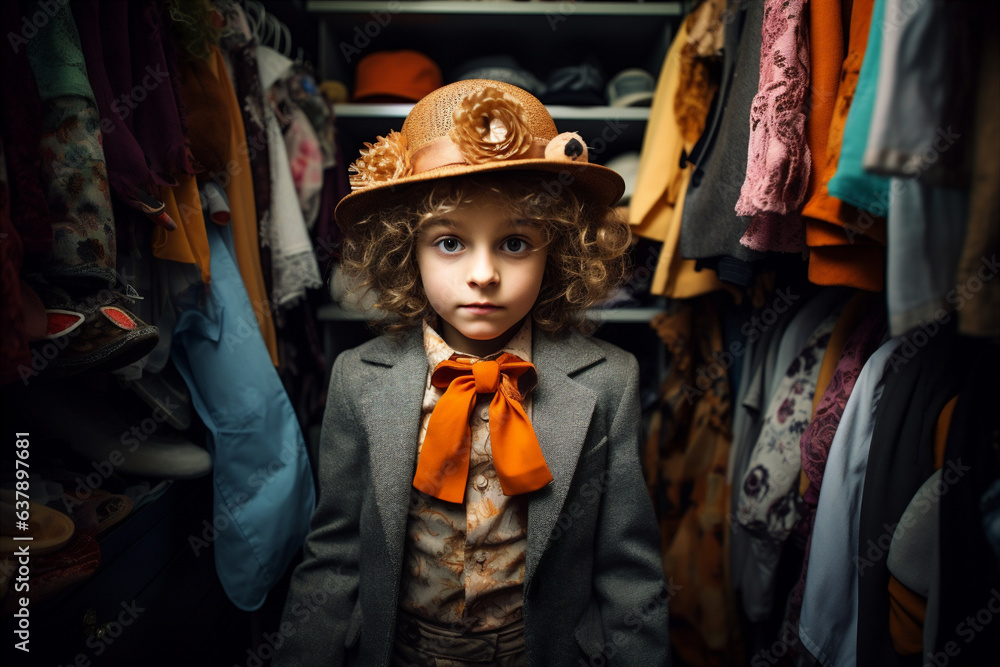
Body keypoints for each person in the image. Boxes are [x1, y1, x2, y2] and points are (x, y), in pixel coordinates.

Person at [273, 80, 670, 667]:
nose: (483, 274)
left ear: (555, 252)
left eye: (514, 242)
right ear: (406, 250)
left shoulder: (609, 379)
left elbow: (627, 567)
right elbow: (335, 552)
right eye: (451, 242)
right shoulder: (359, 377)